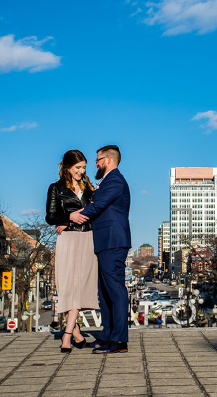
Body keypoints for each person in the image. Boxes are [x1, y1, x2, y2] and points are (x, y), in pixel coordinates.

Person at [70, 144, 131, 354]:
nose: (95, 164)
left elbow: (98, 206)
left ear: (108, 160)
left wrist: (71, 218)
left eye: (97, 160)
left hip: (113, 241)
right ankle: (107, 335)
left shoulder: (115, 180)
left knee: (115, 289)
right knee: (105, 291)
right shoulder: (107, 181)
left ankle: (119, 340)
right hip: (105, 241)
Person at [45, 149, 99, 353]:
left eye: (84, 167)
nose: (82, 171)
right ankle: (73, 332)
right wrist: (68, 218)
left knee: (80, 287)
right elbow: (50, 217)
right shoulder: (55, 188)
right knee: (68, 287)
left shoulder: (89, 188)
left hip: (88, 238)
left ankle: (67, 334)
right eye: (78, 167)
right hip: (67, 240)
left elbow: (96, 211)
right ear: (67, 167)